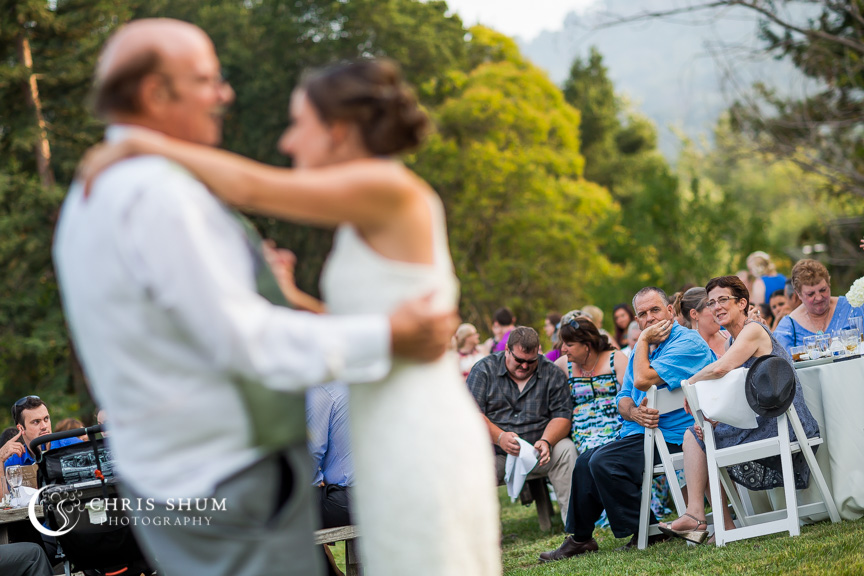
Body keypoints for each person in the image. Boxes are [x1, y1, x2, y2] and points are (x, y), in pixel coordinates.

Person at [61, 20, 466, 576]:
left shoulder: (98, 193)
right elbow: (245, 338)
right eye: (208, 79)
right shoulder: (156, 195)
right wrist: (374, 329)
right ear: (156, 92)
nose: (226, 94)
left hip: (393, 425)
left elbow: (253, 186)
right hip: (227, 482)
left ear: (340, 129)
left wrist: (140, 143)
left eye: (298, 123)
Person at [539, 287, 715, 561]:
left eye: (655, 310)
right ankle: (580, 538)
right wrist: (633, 412)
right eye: (642, 314)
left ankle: (647, 529)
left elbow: (643, 380)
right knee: (585, 461)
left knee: (605, 463)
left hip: (678, 436)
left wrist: (642, 340)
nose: (649, 319)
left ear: (670, 310)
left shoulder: (686, 343)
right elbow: (622, 399)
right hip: (641, 433)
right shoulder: (642, 348)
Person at [659, 276, 820, 543]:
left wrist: (691, 385)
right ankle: (709, 520)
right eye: (711, 303)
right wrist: (713, 420)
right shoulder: (732, 342)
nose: (716, 307)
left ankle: (702, 519)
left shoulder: (753, 330)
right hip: (760, 421)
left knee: (697, 438)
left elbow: (721, 369)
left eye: (723, 300)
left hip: (783, 422)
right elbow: (736, 395)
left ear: (742, 302)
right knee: (699, 434)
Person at [467, 327, 577, 522]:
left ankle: (576, 527)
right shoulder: (484, 369)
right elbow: (471, 414)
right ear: (507, 350)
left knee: (566, 449)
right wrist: (500, 437)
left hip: (539, 452)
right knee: (469, 464)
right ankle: (483, 535)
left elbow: (562, 415)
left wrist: (547, 440)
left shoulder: (551, 372)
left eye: (531, 361)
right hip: (495, 454)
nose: (525, 366)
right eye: (519, 360)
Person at [554, 310, 626, 453]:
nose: (563, 349)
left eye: (568, 344)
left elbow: (633, 394)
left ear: (586, 345)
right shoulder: (563, 365)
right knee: (593, 455)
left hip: (618, 430)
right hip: (583, 435)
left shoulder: (615, 359)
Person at [306, 383, 353, 576]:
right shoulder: (346, 384)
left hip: (350, 499)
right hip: (371, 493)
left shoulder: (320, 391)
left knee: (285, 510)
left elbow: (310, 455)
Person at [773, 259, 864, 352]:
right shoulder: (788, 327)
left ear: (829, 284)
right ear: (799, 294)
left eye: (823, 290)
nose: (819, 297)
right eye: (811, 294)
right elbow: (780, 362)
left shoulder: (852, 307)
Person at [2, 397, 81, 468]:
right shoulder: (13, 462)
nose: (44, 426)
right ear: (21, 428)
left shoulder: (73, 445)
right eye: (36, 422)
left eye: (46, 419)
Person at [676, 287, 729, 358]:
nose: (717, 309)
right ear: (694, 314)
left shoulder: (732, 335)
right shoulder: (687, 350)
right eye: (711, 305)